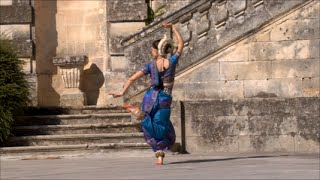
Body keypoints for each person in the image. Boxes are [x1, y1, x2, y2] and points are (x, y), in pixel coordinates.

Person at [109, 22, 184, 165]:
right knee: (161, 127)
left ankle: (159, 156)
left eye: (152, 50)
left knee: (157, 127)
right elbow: (180, 44)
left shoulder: (150, 66)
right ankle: (141, 115)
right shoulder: (172, 61)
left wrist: (121, 92)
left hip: (150, 97)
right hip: (164, 98)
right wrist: (173, 27)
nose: (151, 52)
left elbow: (131, 78)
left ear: (156, 51)